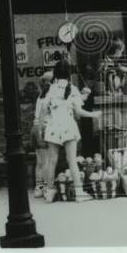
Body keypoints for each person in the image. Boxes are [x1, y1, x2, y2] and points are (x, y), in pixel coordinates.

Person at [40, 59, 101, 201]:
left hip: (53, 126)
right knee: (72, 160)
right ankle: (79, 193)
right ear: (69, 73)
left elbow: (44, 109)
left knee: (51, 161)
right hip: (68, 126)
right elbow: (78, 111)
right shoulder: (72, 89)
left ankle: (49, 192)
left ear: (55, 73)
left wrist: (42, 126)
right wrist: (93, 114)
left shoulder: (50, 88)